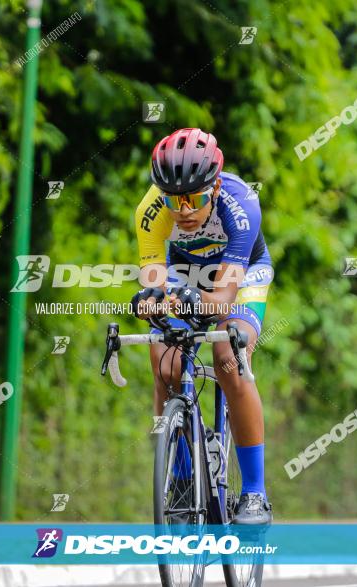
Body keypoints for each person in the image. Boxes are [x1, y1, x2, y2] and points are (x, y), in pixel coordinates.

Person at [131, 127, 274, 524]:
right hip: (185, 273)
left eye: (193, 199)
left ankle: (255, 492)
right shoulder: (150, 212)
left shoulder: (241, 203)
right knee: (166, 364)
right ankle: (178, 479)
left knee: (230, 356)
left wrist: (199, 301)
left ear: (212, 189)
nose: (183, 211)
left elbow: (222, 298)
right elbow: (155, 281)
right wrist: (151, 301)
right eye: (173, 200)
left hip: (240, 275)